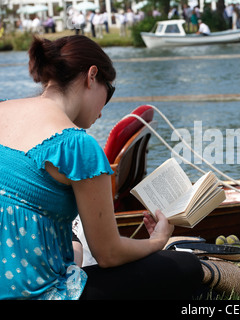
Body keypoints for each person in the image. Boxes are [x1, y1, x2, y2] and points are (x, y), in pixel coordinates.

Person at [0, 35, 209, 300]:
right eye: (108, 92)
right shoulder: (75, 145)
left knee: (75, 247)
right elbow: (108, 254)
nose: (101, 113)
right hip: (38, 293)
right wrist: (157, 241)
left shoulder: (3, 109)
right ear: (91, 75)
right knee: (187, 267)